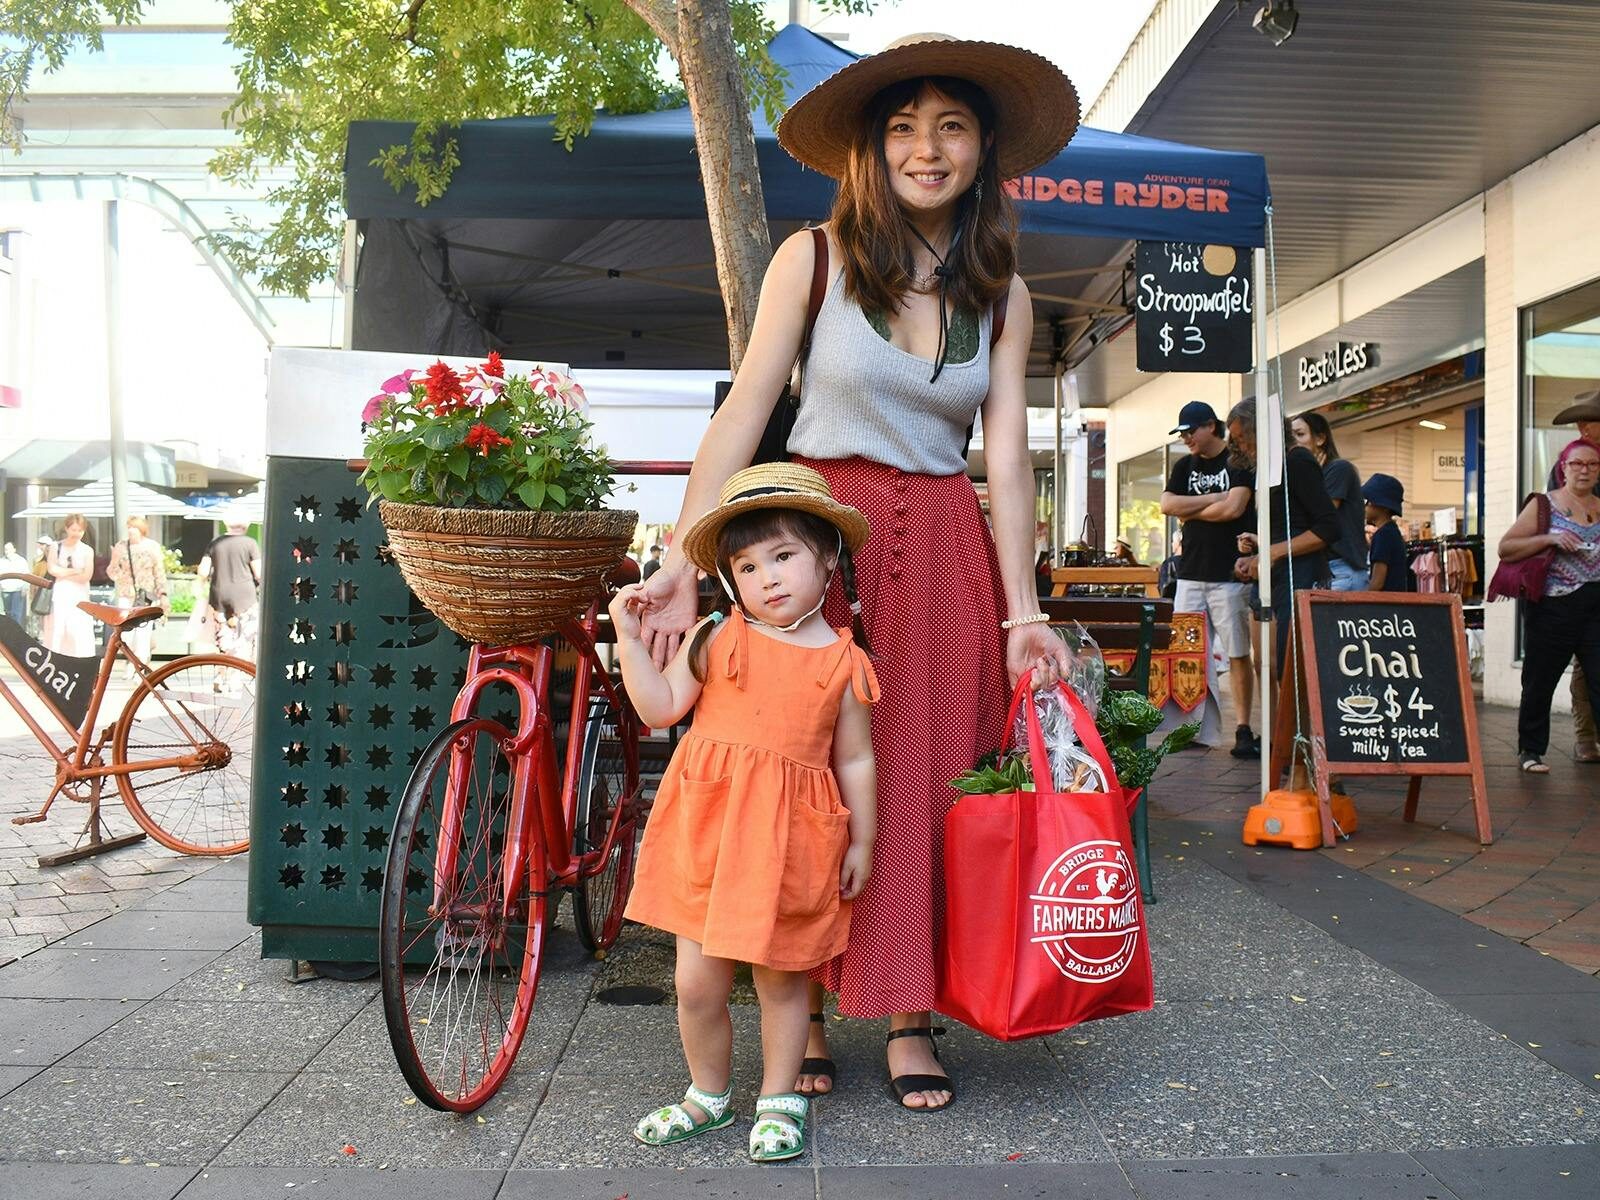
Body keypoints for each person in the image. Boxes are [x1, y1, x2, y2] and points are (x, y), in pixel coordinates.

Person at [633, 34, 1078, 1112]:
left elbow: (1006, 455)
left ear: (981, 151)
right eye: (903, 128)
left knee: (923, 773)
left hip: (941, 547)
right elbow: (745, 409)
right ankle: (809, 1003)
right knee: (806, 769)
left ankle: (911, 1014)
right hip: (813, 530)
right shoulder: (815, 258)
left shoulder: (1000, 291)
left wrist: (1024, 609)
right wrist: (683, 560)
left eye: (952, 126)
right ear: (871, 152)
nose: (927, 148)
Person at [612, 465, 878, 1162]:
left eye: (784, 556)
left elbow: (854, 760)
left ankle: (780, 1097)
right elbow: (659, 708)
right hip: (707, 831)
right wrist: (630, 643)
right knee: (695, 981)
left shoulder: (843, 663)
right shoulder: (714, 637)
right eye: (747, 565)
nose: (767, 577)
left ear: (828, 560)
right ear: (730, 580)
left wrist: (863, 840)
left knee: (781, 977)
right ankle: (708, 1094)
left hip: (790, 840)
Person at [1160, 400, 1259, 758]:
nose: (1186, 438)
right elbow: (1167, 505)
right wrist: (1216, 498)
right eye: (1183, 432)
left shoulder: (1239, 462)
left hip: (1229, 574)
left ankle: (1243, 728)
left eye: (1191, 430)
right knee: (1187, 655)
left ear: (1211, 427)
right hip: (1190, 574)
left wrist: (1194, 508)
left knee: (1236, 652)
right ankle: (1195, 728)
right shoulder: (1183, 465)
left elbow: (1237, 507)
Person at [1501, 438, 1600, 774]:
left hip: (1595, 605)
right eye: (1577, 464)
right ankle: (1530, 750)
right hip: (1553, 605)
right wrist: (1551, 538)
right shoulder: (1546, 505)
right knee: (1540, 680)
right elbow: (1507, 547)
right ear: (1563, 467)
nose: (1584, 470)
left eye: (1592, 464)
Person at [1227, 402, 1340, 678]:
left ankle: (1292, 723)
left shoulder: (1298, 460)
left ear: (1259, 430)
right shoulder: (1270, 468)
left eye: (1243, 437)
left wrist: (1272, 553)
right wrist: (1257, 552)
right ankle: (1278, 723)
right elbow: (1287, 527)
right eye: (1236, 439)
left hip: (1299, 576)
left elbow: (1328, 526)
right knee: (1271, 667)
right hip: (1278, 577)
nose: (1241, 446)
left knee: (1291, 669)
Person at [1549, 389, 1600, 762]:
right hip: (1583, 575)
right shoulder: (1574, 461)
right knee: (1587, 658)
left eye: (1589, 419)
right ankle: (1586, 735)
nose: (1582, 426)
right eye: (1580, 420)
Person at [1290, 412, 1367, 591]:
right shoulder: (1306, 476)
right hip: (1319, 571)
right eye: (1290, 435)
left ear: (1320, 439)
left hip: (1341, 569)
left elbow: (1321, 514)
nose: (1293, 441)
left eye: (1300, 434)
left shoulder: (1339, 469)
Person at [105, 515, 169, 673]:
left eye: (135, 527)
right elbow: (112, 572)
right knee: (126, 633)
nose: (131, 531)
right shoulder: (121, 546)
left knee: (142, 632)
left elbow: (159, 571)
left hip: (145, 593)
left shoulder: (152, 547)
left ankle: (139, 665)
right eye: (129, 527)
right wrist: (115, 563)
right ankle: (133, 660)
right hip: (126, 594)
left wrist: (163, 594)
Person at [197, 521, 262, 659]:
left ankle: (222, 673)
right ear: (246, 525)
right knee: (245, 637)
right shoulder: (250, 543)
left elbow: (203, 571)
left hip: (219, 595)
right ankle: (240, 671)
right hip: (245, 597)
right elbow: (259, 573)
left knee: (223, 637)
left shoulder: (215, 543)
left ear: (227, 524)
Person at [45, 513, 95, 657]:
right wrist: (74, 571)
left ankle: (81, 658)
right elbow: (52, 569)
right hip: (61, 593)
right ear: (66, 528)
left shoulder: (87, 550)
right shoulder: (56, 546)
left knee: (78, 628)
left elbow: (86, 576)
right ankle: (56, 657)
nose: (76, 534)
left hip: (80, 594)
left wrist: (64, 573)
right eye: (73, 530)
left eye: (80, 530)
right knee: (58, 628)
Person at [1362, 474, 1412, 592]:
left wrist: (1362, 599)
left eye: (1368, 501)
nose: (1365, 506)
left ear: (1383, 506)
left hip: (1385, 606)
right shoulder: (1392, 532)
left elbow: (1378, 582)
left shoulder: (1383, 536)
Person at [29, 534, 53, 642]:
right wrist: (32, 593)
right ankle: (37, 634)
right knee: (38, 614)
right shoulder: (39, 562)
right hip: (42, 592)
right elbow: (34, 579)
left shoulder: (58, 563)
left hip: (54, 593)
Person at [0, 541, 29, 625]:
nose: (7, 551)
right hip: (5, 590)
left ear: (14, 549)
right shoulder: (2, 561)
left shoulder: (21, 561)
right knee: (8, 613)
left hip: (18, 589)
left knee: (15, 613)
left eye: (9, 549)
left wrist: (25, 587)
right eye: (5, 549)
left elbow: (26, 574)